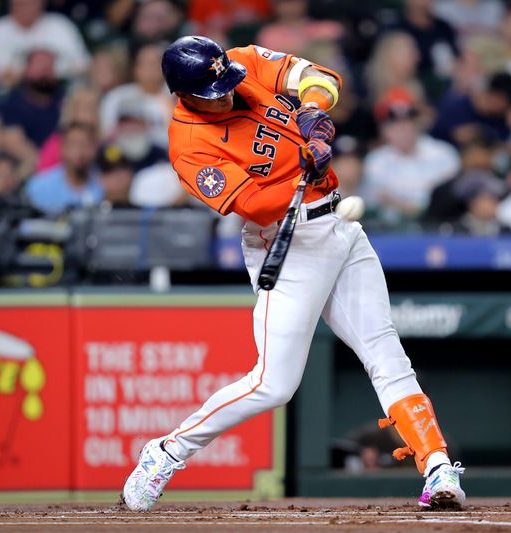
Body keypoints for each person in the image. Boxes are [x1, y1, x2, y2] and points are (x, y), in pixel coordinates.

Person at [121, 35, 466, 512]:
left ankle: (437, 466)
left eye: (225, 83)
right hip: (286, 240)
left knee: (385, 351)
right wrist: (298, 169)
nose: (224, 93)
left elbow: (322, 78)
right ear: (183, 93)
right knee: (273, 383)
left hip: (340, 224)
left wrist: (312, 114)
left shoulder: (238, 63)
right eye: (212, 90)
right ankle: (167, 451)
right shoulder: (189, 145)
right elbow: (254, 204)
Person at [363, 88, 460, 226]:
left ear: (417, 124)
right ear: (384, 131)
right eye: (395, 125)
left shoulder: (444, 153)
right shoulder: (376, 160)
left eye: (407, 122)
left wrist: (399, 202)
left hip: (438, 226)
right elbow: (378, 201)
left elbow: (448, 198)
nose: (403, 130)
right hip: (391, 230)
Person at [0, 0, 89, 90]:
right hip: (8, 95)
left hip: (57, 92)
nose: (25, 8)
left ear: (41, 3)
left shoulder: (61, 25)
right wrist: (3, 75)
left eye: (30, 2)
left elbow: (83, 64)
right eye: (21, 3)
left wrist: (48, 72)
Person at [24, 121, 102, 215]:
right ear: (62, 148)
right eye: (72, 144)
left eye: (84, 144)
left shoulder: (106, 185)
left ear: (94, 148)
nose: (79, 151)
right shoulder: (39, 187)